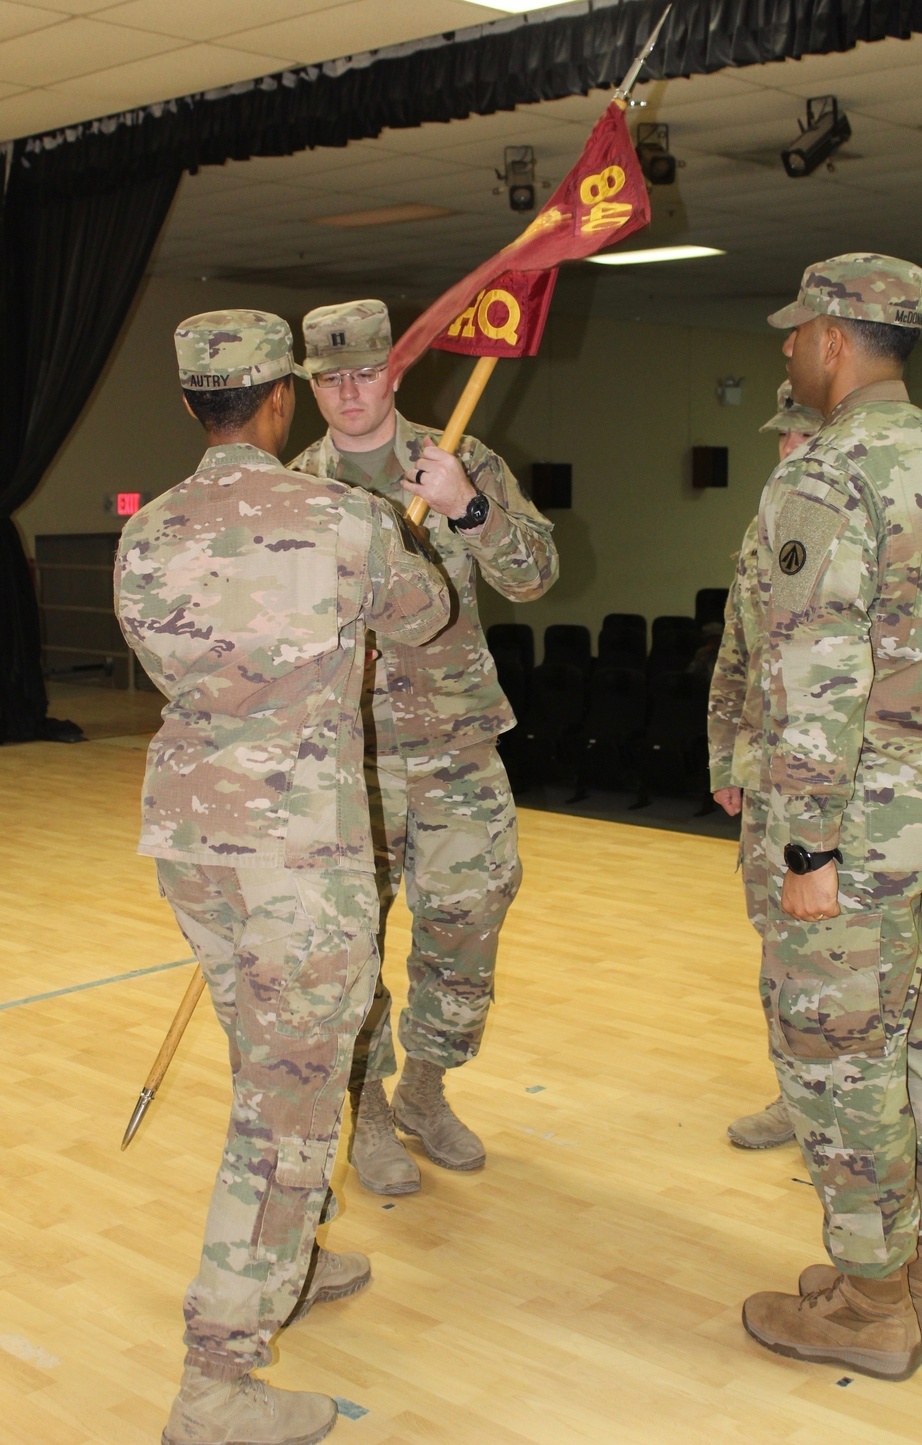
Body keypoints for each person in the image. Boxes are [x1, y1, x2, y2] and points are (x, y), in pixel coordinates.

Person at [114, 310, 450, 1445]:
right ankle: (217, 1380)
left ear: (194, 403)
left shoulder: (147, 531)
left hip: (195, 839)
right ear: (280, 399)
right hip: (300, 857)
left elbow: (164, 658)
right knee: (287, 1110)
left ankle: (287, 1262)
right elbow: (426, 618)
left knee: (268, 1067)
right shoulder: (344, 519)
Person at [739, 255, 922, 1381]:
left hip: (862, 824)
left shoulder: (829, 475)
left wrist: (808, 848)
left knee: (840, 1055)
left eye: (796, 333)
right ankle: (916, 1265)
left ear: (835, 339)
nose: (788, 350)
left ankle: (867, 1302)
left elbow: (816, 676)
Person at [289, 300, 558, 1196]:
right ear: (309, 384)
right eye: (329, 378)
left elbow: (535, 575)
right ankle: (366, 1111)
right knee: (350, 940)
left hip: (454, 741)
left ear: (395, 371)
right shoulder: (298, 485)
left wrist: (467, 507)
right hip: (349, 753)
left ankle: (426, 1089)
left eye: (365, 372)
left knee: (468, 919)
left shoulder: (458, 457)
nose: (349, 392)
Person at [712, 382, 823, 1150]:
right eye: (781, 439)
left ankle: (848, 1107)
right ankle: (795, 1096)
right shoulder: (765, 531)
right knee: (778, 946)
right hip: (767, 776)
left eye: (801, 438)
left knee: (841, 953)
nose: (786, 451)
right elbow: (736, 654)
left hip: (839, 785)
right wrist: (725, 755)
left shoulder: (863, 530)